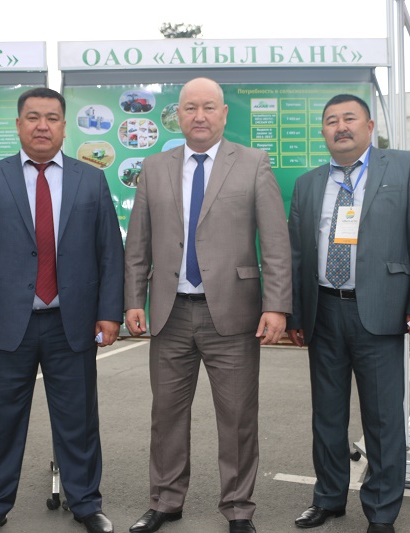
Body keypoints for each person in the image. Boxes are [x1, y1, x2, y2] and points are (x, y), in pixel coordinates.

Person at [123, 77, 292, 533]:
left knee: (237, 418)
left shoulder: (253, 163)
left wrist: (276, 305)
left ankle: (238, 508)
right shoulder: (153, 168)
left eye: (209, 107)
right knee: (166, 416)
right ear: (177, 115)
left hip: (234, 315)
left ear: (223, 113)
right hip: (170, 312)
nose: (200, 116)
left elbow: (275, 242)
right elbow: (138, 244)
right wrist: (133, 299)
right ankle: (165, 500)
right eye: (190, 107)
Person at [0, 87, 123, 533]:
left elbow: (109, 252)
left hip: (73, 322)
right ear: (18, 125)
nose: (42, 125)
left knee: (78, 421)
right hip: (7, 325)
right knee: (1, 421)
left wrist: (110, 313)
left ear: (64, 127)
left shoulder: (91, 180)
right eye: (32, 117)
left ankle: (86, 503)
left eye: (51, 117)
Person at [286, 94, 410, 533]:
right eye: (331, 120)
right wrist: (296, 314)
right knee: (327, 415)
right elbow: (297, 256)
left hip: (381, 312)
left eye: (349, 118)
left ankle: (382, 511)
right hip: (323, 311)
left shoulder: (404, 167)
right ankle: (328, 497)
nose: (341, 127)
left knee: (383, 419)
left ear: (369, 126)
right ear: (323, 132)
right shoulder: (308, 184)